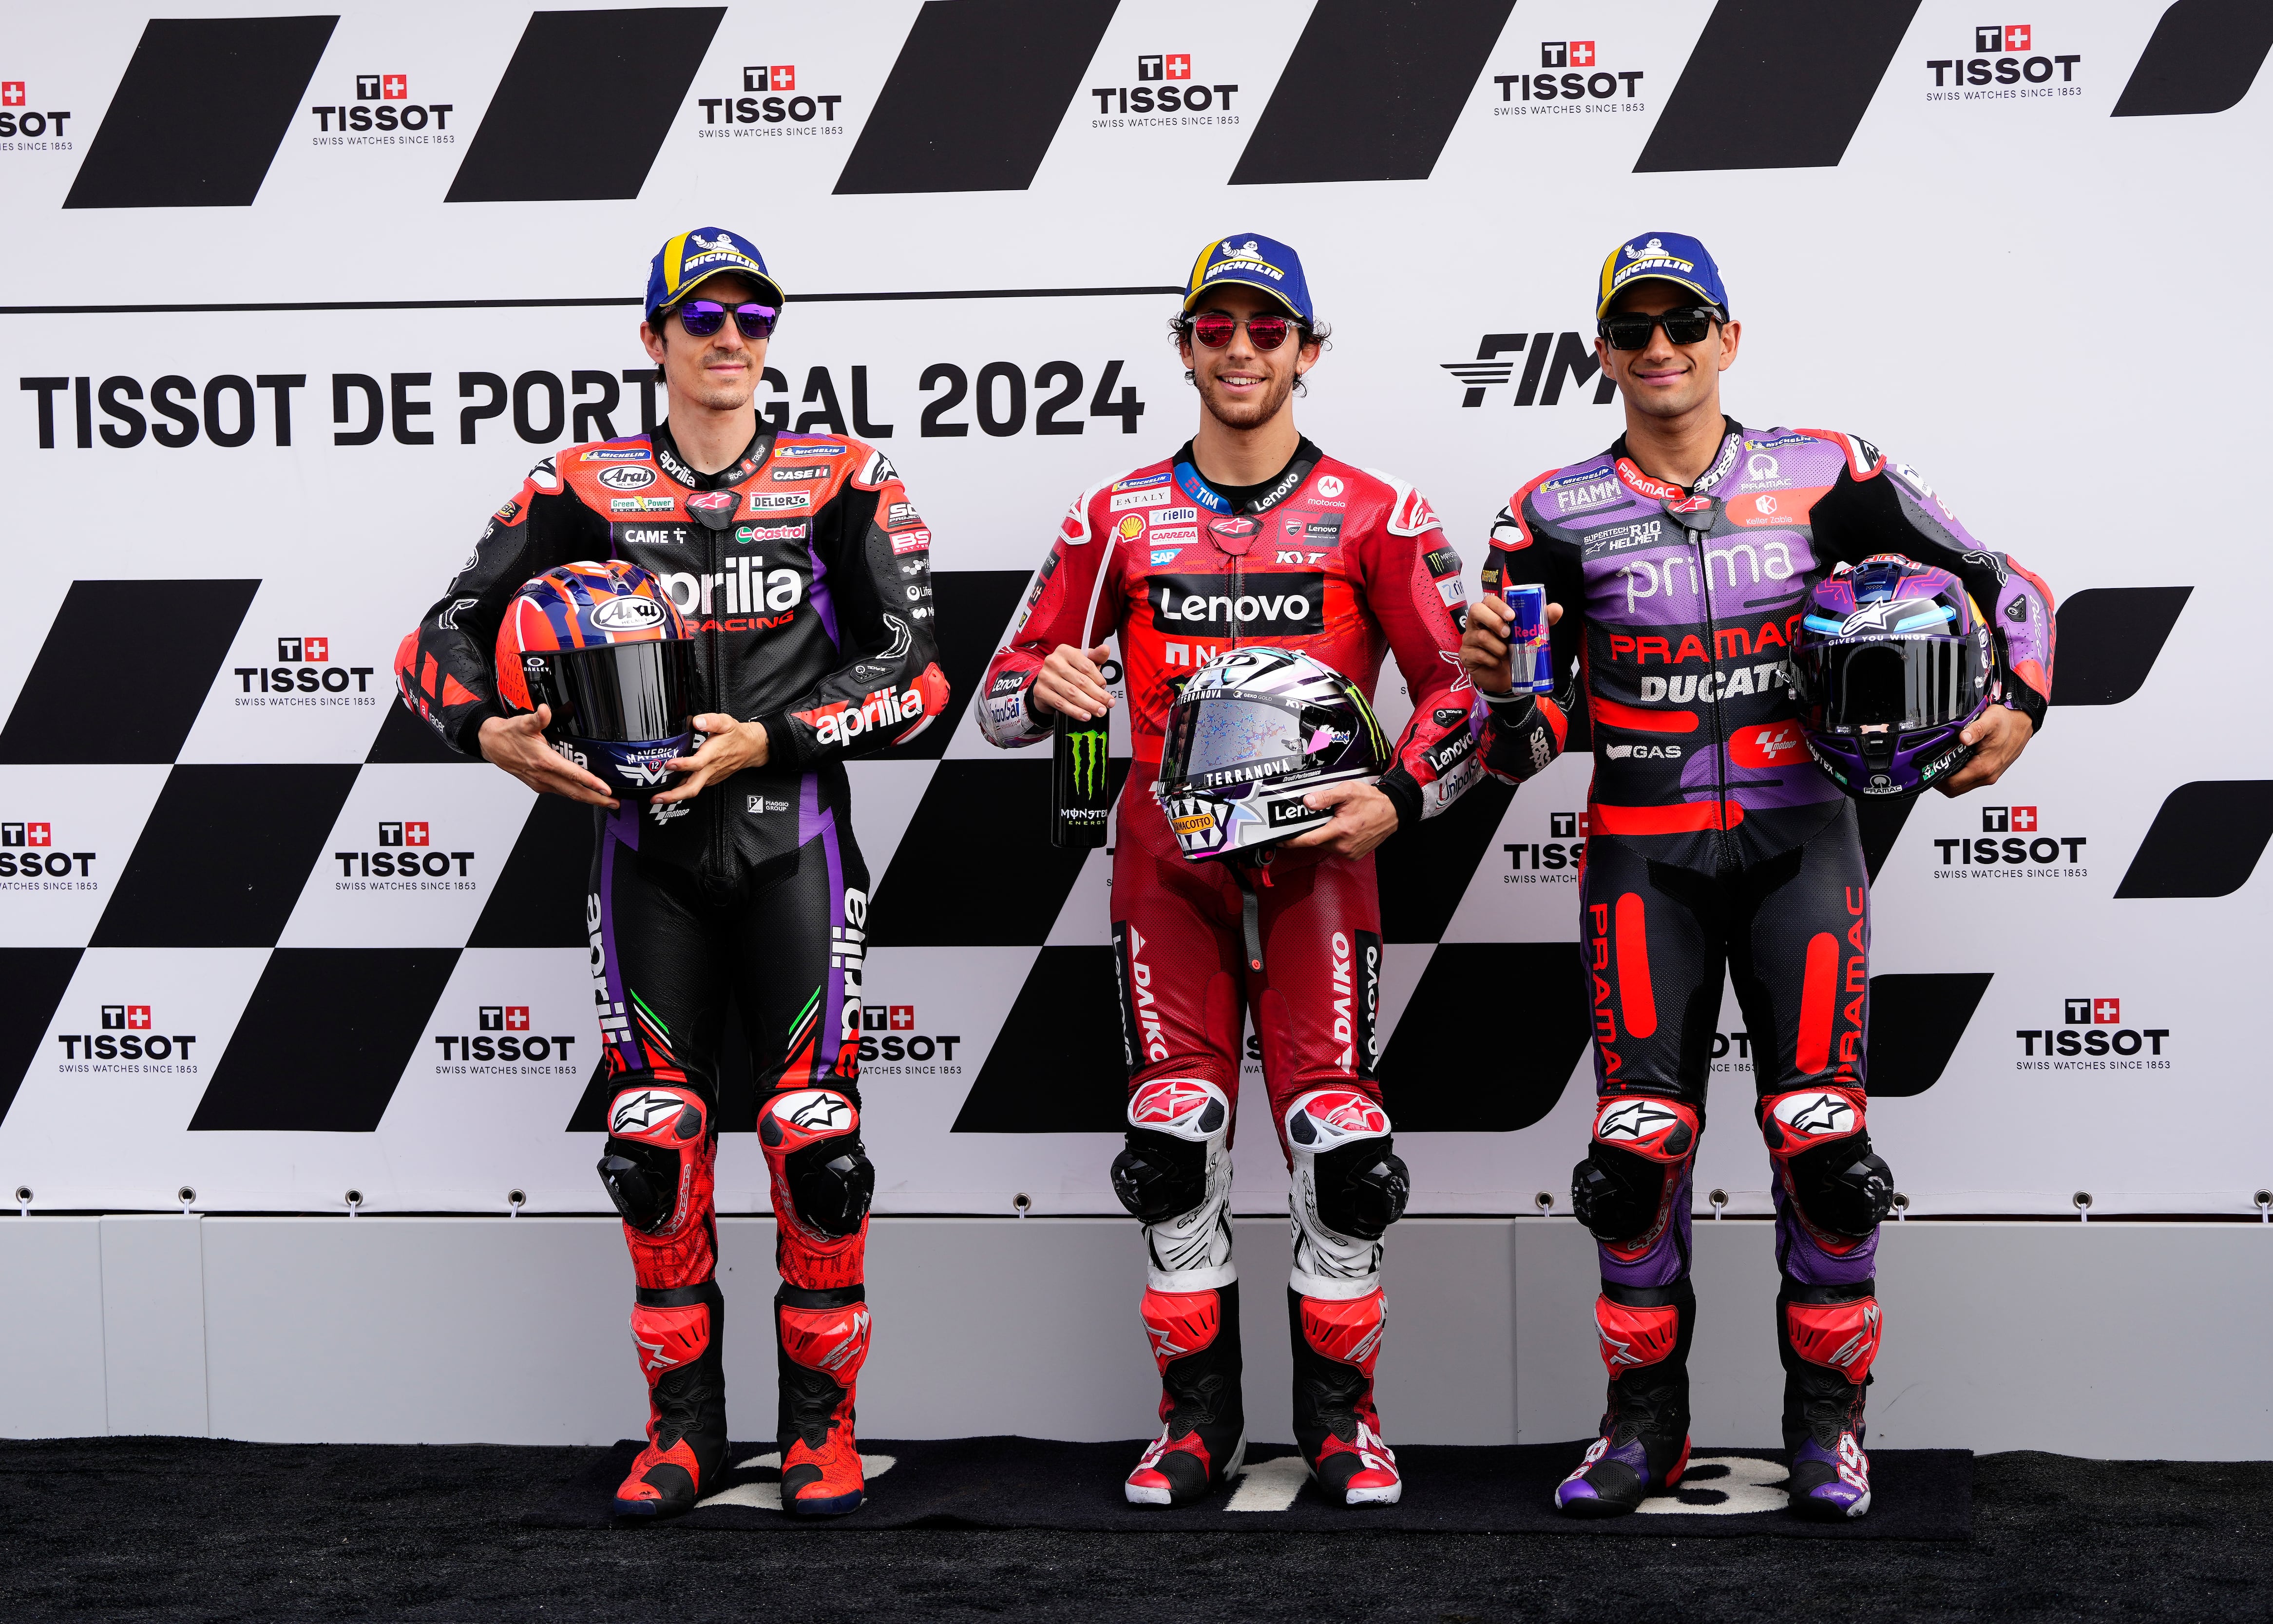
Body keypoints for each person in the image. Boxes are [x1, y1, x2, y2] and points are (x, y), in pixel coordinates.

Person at [1457, 232, 2056, 1519]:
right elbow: (1523, 745)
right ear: (1603, 351)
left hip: (1802, 844)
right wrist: (1505, 694)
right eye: (1635, 329)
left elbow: (2010, 589)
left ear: (1730, 338)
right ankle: (1641, 1431)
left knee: (1827, 1150)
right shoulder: (1546, 514)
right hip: (1642, 859)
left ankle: (1828, 1431)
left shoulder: (1824, 470)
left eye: (1687, 323)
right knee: (1633, 1160)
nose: (1661, 349)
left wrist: (2022, 706)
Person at [395, 227, 947, 1520]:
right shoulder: (578, 484)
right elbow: (441, 634)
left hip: (794, 840)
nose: (730, 339)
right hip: (640, 855)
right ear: (652, 338)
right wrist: (491, 732)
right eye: (701, 318)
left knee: (818, 1145)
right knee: (653, 1145)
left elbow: (920, 665)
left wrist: (781, 735)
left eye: (752, 317)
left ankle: (822, 1432)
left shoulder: (844, 476)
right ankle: (682, 1433)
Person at [976, 233, 1481, 1507]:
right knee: (1172, 1141)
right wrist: (1046, 687)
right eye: (1218, 329)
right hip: (1168, 867)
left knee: (1341, 1148)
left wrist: (1400, 799)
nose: (1243, 350)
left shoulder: (1380, 512)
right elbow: (994, 702)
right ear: (1186, 346)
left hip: (1320, 874)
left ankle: (1344, 1426)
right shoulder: (1111, 519)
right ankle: (1193, 1425)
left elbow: (1457, 700)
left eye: (1269, 330)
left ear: (1309, 351)